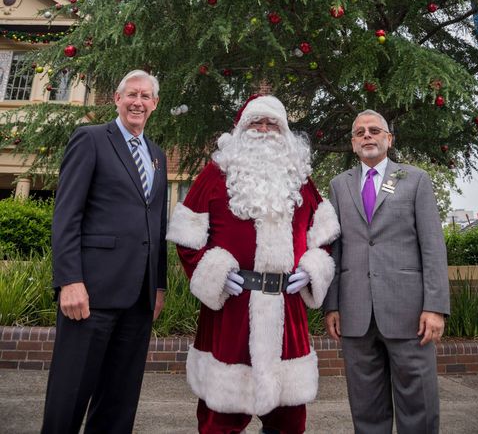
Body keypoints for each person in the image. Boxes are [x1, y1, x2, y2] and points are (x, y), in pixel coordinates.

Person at [168, 94, 340, 434]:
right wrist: (215, 272)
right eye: (255, 123)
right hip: (230, 311)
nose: (263, 130)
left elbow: (325, 236)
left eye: (271, 123)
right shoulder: (215, 175)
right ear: (241, 129)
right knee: (221, 419)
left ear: (285, 132)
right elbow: (188, 240)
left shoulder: (301, 180)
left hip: (286, 312)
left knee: (289, 419)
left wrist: (312, 268)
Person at [41, 69, 167, 434]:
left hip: (138, 300)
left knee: (119, 401)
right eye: (131, 95)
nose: (138, 102)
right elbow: (66, 215)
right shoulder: (91, 140)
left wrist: (158, 287)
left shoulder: (156, 155)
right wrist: (69, 280)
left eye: (145, 97)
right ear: (116, 98)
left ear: (155, 105)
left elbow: (156, 227)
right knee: (70, 396)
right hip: (90, 294)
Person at [323, 109, 450, 434]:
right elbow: (334, 249)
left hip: (408, 314)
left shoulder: (415, 179)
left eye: (375, 130)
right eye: (361, 132)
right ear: (353, 143)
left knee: (418, 406)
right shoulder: (339, 186)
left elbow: (433, 246)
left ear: (388, 139)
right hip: (355, 314)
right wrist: (333, 305)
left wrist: (435, 307)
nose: (368, 135)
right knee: (366, 408)